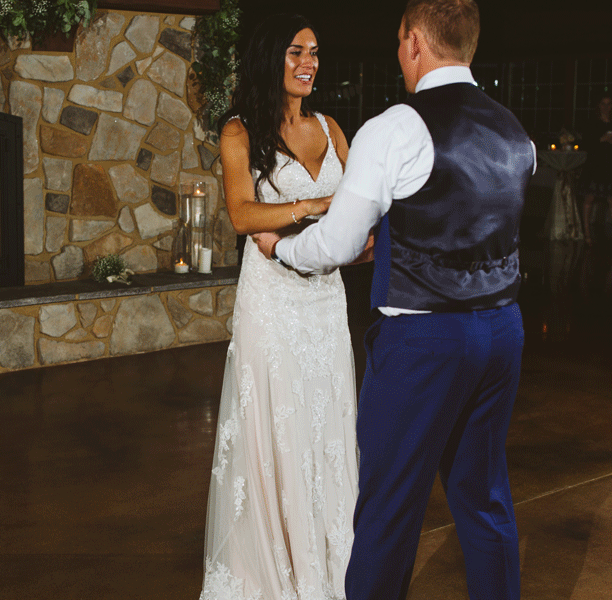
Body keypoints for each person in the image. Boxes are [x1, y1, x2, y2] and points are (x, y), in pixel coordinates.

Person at [255, 1, 535, 598]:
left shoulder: (395, 128)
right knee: (484, 498)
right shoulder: (516, 130)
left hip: (424, 341)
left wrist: (282, 250)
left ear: (413, 43)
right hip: (502, 332)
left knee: (389, 508)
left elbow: (340, 241)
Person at [199, 13, 361, 600]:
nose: (308, 63)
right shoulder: (239, 132)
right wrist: (315, 206)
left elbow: (358, 206)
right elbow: (242, 213)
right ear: (272, 57)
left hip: (326, 303)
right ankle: (274, 568)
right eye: (296, 51)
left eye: (314, 52)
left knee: (326, 427)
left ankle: (331, 567)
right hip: (272, 303)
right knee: (277, 430)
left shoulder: (331, 127)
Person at [580, 93, 612, 245]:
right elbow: (586, 144)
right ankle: (587, 234)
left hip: (611, 166)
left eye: (609, 104)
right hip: (595, 166)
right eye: (603, 103)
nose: (606, 107)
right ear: (598, 105)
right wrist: (601, 139)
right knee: (589, 198)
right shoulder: (592, 123)